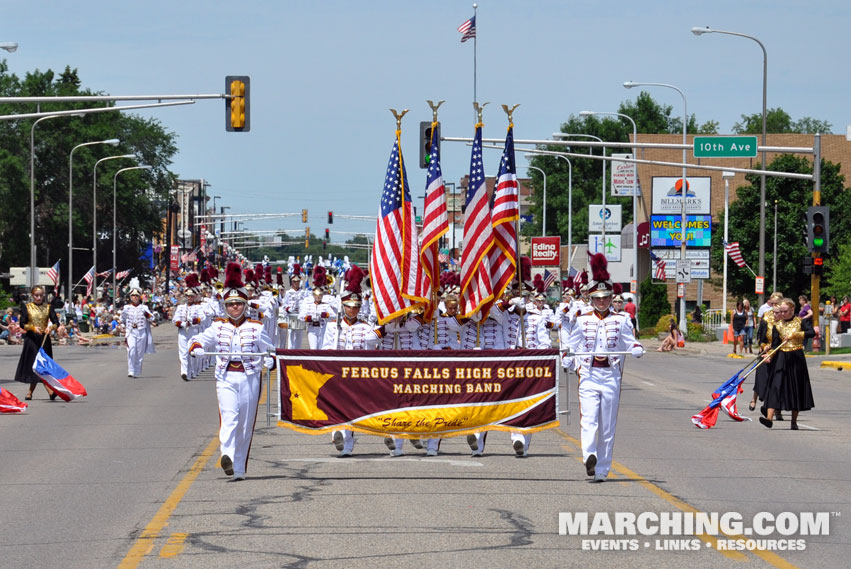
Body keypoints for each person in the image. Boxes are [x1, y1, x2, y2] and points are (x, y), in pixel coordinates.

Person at [188, 263, 274, 481]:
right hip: (225, 376)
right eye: (230, 304)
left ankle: (239, 469)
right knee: (229, 417)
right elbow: (198, 339)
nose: (234, 307)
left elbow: (269, 351)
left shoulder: (257, 327)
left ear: (245, 305)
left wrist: (271, 361)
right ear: (225, 306)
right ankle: (226, 454)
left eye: (238, 304)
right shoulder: (218, 326)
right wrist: (196, 348)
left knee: (245, 423)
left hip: (250, 377)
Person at [565, 253, 644, 482]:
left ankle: (602, 470)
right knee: (589, 419)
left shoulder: (621, 320)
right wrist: (567, 357)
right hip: (588, 375)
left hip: (611, 375)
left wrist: (637, 348)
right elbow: (571, 344)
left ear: (611, 298)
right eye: (598, 298)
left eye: (606, 297)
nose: (602, 301)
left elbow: (632, 342)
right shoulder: (582, 320)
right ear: (591, 299)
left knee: (607, 426)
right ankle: (589, 456)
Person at [321, 291, 383, 457]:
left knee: (351, 407)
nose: (352, 310)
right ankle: (336, 433)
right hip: (337, 371)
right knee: (335, 404)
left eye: (356, 307)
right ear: (343, 307)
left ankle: (347, 441)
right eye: (349, 307)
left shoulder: (365, 327)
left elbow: (372, 346)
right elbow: (326, 347)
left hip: (356, 372)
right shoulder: (332, 325)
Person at [758, 298, 817, 430]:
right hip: (781, 356)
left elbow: (811, 333)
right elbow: (775, 345)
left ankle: (794, 421)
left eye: (785, 311)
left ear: (792, 310)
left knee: (795, 387)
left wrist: (796, 334)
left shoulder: (801, 321)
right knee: (775, 385)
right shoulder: (777, 326)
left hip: (796, 356)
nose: (783, 314)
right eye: (781, 312)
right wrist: (769, 355)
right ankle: (769, 418)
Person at [14, 286, 60, 400]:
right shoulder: (27, 307)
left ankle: (31, 392)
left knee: (43, 365)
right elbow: (22, 323)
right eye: (36, 295)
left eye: (40, 295)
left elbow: (56, 322)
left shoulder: (48, 307)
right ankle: (48, 391)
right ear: (32, 296)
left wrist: (51, 327)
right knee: (35, 365)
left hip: (44, 339)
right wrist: (33, 328)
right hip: (32, 339)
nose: (38, 298)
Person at [120, 287, 156, 377]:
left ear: (139, 297)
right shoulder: (126, 308)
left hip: (141, 331)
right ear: (130, 297)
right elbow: (122, 319)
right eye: (133, 295)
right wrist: (123, 327)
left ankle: (137, 370)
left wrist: (147, 314)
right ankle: (131, 370)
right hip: (131, 331)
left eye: (136, 295)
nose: (135, 297)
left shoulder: (144, 307)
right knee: (131, 350)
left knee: (139, 353)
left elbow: (152, 318)